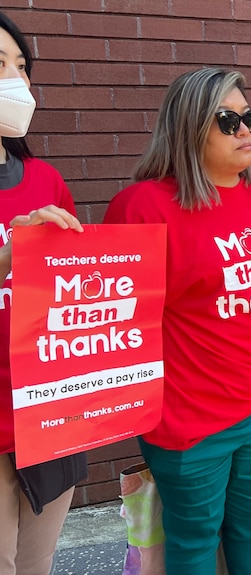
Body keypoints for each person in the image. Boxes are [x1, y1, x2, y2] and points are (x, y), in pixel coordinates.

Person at [103, 68, 251, 575]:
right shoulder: (141, 207)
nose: (245, 130)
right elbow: (115, 321)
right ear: (187, 126)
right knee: (193, 538)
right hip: (187, 413)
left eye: (249, 118)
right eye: (228, 121)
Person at [0, 11, 88, 575]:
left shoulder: (46, 181)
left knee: (37, 565)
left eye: (21, 66)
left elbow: (79, 304)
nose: (15, 81)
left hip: (47, 417)